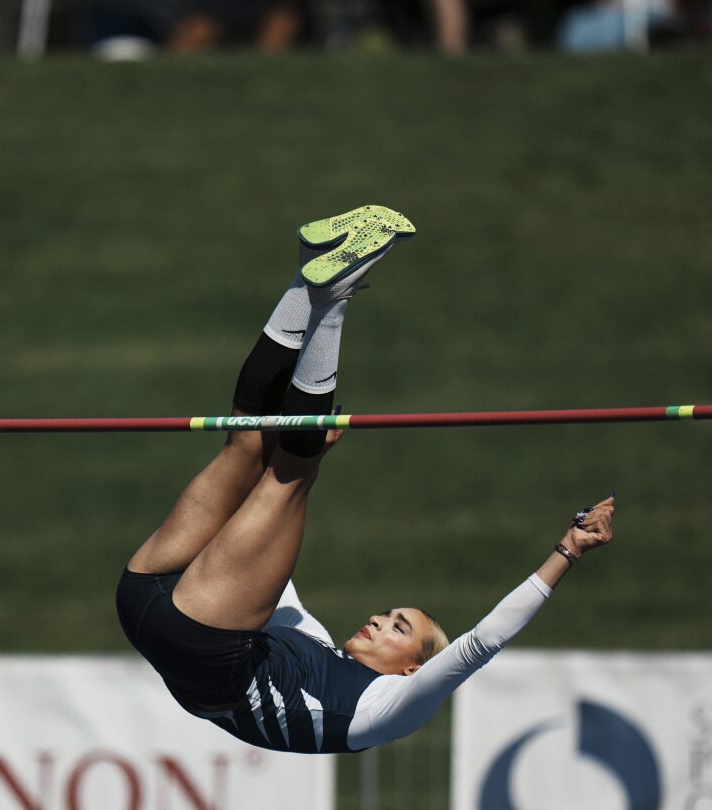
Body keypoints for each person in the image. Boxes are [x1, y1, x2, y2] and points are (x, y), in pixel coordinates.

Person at [116, 204, 617, 754]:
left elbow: (481, 643)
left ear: (412, 671)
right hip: (152, 599)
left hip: (196, 636)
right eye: (390, 615)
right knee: (249, 444)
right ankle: (307, 278)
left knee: (288, 475)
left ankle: (330, 299)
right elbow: (258, 557)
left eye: (399, 628)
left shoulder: (386, 710)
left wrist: (566, 552)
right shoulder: (309, 639)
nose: (379, 620)